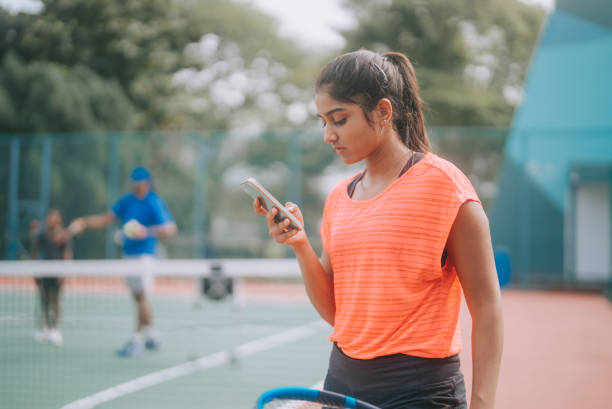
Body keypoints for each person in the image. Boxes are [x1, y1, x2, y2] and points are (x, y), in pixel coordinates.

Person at [252, 50, 503, 409]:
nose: (328, 135)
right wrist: (300, 245)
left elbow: (488, 307)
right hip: (341, 383)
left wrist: (483, 404)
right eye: (323, 121)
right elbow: (338, 312)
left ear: (384, 112)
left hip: (420, 393)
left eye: (339, 119)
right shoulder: (338, 198)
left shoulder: (446, 187)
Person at [66, 167, 177, 357]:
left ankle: (137, 341)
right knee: (138, 297)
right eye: (133, 183)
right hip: (128, 255)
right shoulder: (128, 201)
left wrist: (146, 231)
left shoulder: (153, 201)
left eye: (139, 183)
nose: (135, 187)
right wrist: (84, 222)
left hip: (145, 257)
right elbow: (106, 218)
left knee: (141, 297)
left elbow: (170, 228)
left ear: (146, 184)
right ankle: (152, 334)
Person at [31, 209, 72, 347]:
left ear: (58, 219)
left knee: (55, 300)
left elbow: (67, 253)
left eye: (54, 217)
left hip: (57, 272)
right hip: (44, 272)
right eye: (49, 216)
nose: (50, 219)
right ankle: (45, 328)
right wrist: (35, 271)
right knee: (44, 301)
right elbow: (35, 251)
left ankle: (55, 329)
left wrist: (64, 272)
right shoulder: (42, 234)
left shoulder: (63, 235)